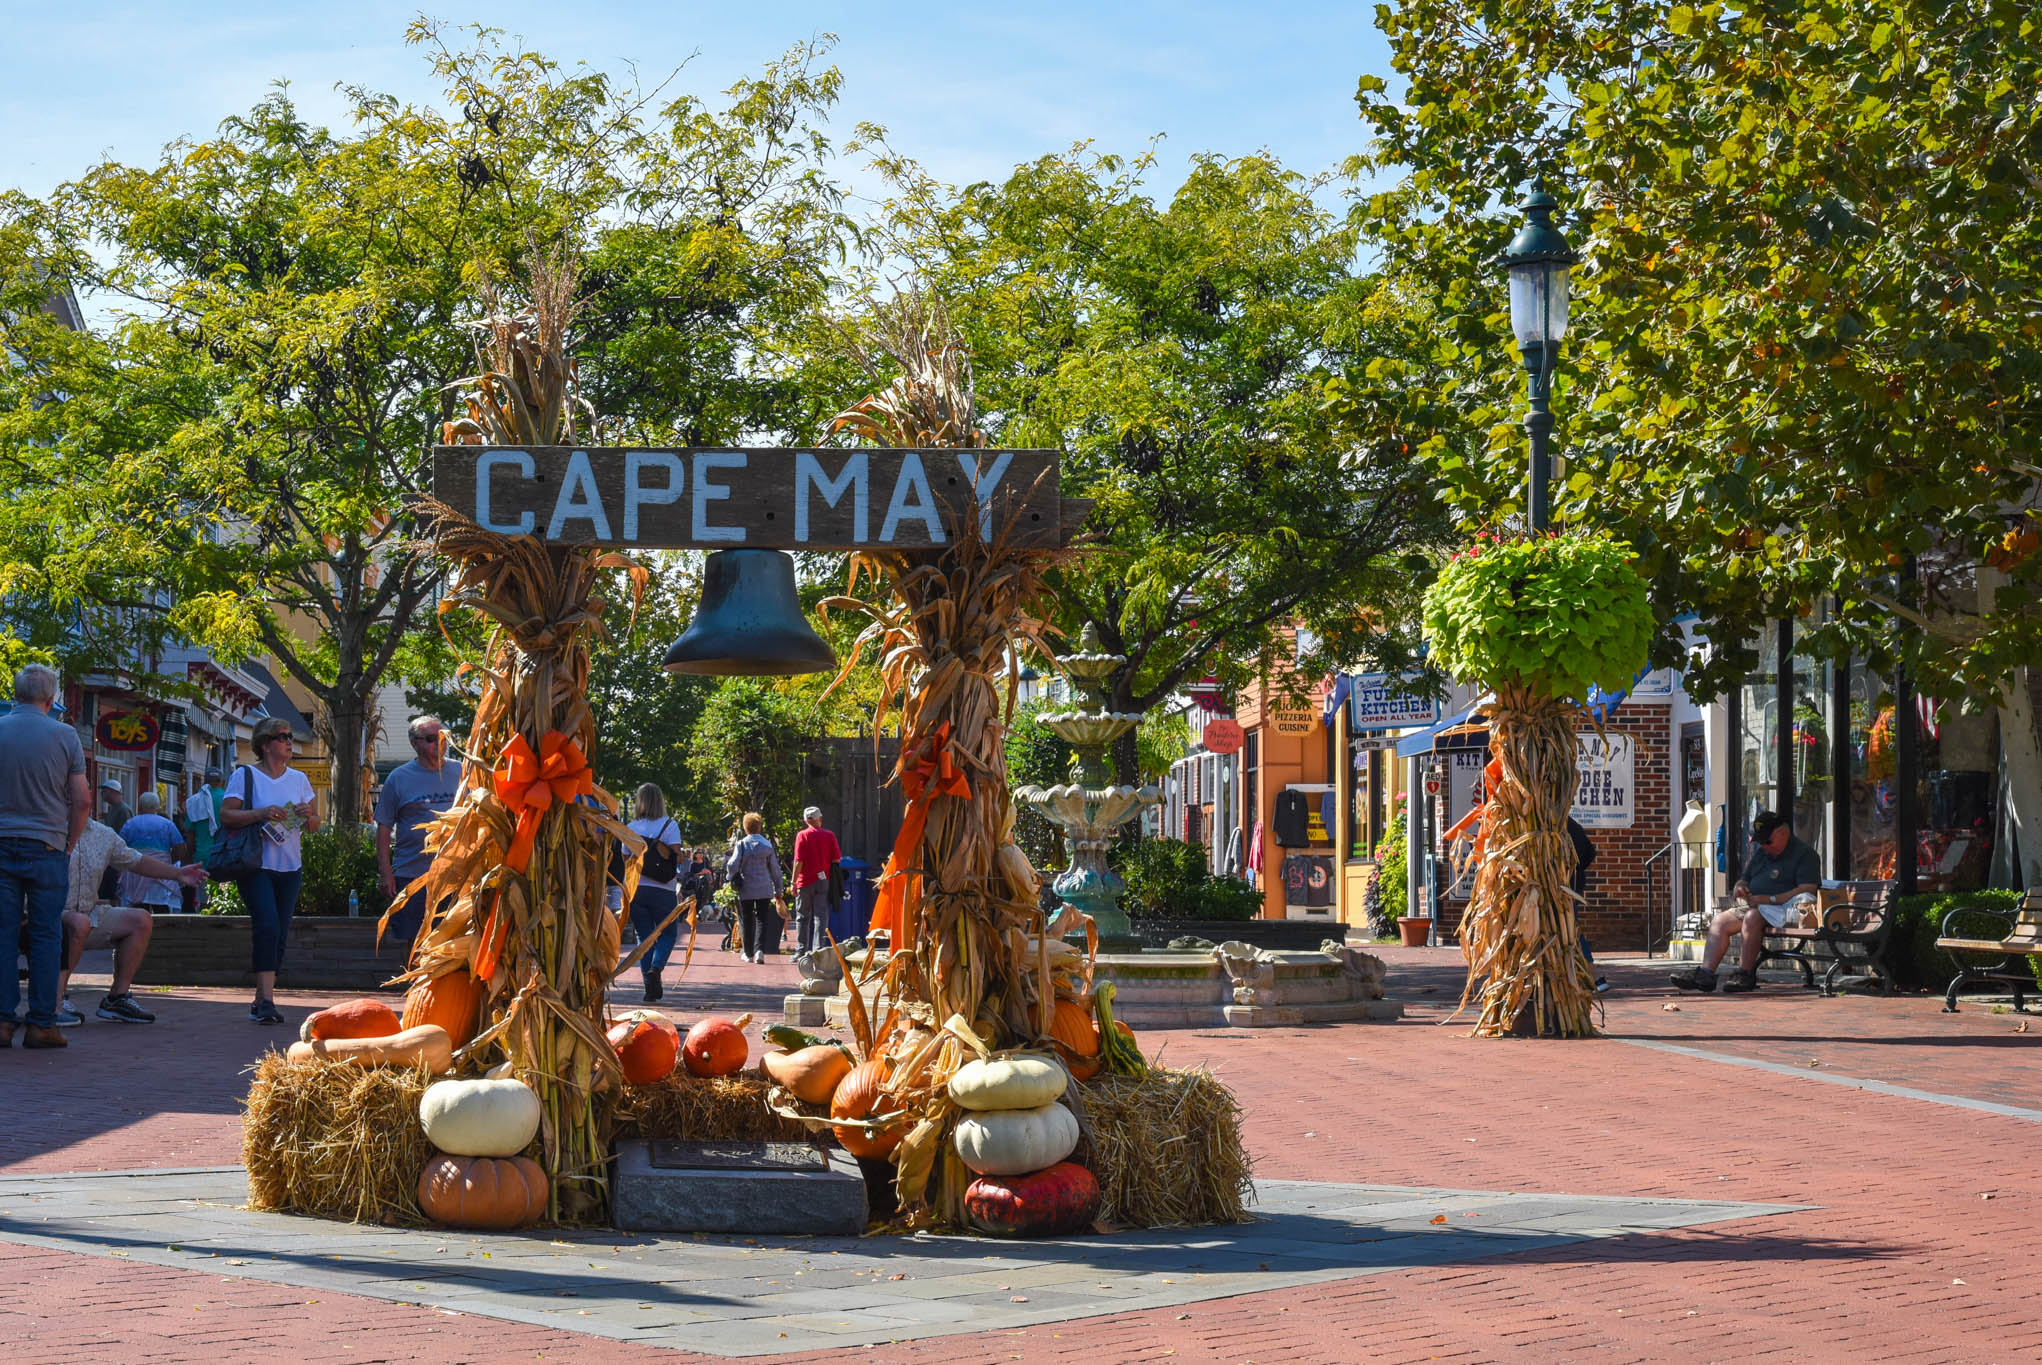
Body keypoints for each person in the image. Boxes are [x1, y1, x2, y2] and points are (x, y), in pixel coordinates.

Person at [0, 664, 90, 1050]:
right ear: (51, 700)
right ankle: (42, 1022)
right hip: (48, 845)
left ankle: (2, 1021)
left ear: (14, 694)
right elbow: (83, 800)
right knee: (45, 935)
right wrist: (69, 841)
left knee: (2, 935)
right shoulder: (64, 735)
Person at [55, 818, 204, 1025]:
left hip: (89, 913)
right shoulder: (46, 827)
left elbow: (136, 860)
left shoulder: (102, 833)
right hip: (49, 916)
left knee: (140, 919)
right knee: (79, 922)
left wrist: (178, 873)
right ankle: (55, 999)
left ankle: (117, 999)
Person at [220, 716, 320, 1024]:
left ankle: (260, 997)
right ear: (265, 745)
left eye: (290, 737)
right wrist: (261, 813)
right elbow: (226, 815)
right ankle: (266, 1000)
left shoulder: (299, 780)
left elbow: (315, 825)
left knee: (280, 931)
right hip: (256, 864)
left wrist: (307, 815)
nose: (290, 741)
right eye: (283, 736)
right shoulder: (245, 775)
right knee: (267, 925)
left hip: (291, 865)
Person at [1671, 809, 1820, 994]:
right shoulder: (1762, 854)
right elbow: (1745, 878)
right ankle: (1706, 974)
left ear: (1783, 832)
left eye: (1768, 841)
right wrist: (1739, 887)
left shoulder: (1804, 854)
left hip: (1785, 909)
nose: (1764, 846)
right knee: (1720, 921)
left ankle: (1745, 974)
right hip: (1757, 905)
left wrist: (1770, 899)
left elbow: (1808, 889)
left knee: (1752, 917)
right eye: (1760, 841)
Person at [374, 715, 464, 953]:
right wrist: (386, 873)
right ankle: (414, 989)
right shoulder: (398, 778)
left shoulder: (463, 772)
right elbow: (383, 828)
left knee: (451, 941)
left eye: (443, 737)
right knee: (414, 943)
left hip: (456, 875)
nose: (440, 743)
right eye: (431, 739)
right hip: (412, 875)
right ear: (415, 743)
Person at [623, 785, 685, 1002]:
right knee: (668, 934)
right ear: (660, 801)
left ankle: (649, 985)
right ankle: (656, 969)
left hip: (637, 889)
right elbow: (676, 857)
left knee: (644, 937)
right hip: (663, 889)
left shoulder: (630, 827)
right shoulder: (670, 825)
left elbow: (625, 859)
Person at [726, 812, 785, 963]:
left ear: (745, 829)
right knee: (762, 919)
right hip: (764, 887)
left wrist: (731, 877)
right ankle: (760, 951)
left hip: (746, 887)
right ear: (759, 828)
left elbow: (732, 864)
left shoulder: (742, 844)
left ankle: (748, 952)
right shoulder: (767, 845)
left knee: (746, 919)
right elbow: (775, 870)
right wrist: (779, 890)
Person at [118, 793, 184, 911]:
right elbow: (180, 846)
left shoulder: (130, 823)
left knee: (137, 905)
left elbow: (120, 845)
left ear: (140, 806)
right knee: (161, 904)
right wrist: (171, 862)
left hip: (136, 869)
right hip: (161, 870)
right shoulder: (167, 824)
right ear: (157, 807)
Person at [791, 806, 841, 955]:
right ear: (820, 819)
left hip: (804, 881)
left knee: (802, 917)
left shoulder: (802, 835)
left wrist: (793, 882)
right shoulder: (830, 835)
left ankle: (800, 950)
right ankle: (817, 950)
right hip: (823, 880)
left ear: (806, 820)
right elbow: (837, 858)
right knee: (821, 916)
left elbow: (798, 861)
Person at [183, 767, 226, 907]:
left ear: (205, 781)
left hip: (201, 858)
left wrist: (188, 858)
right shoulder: (228, 800)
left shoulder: (195, 801)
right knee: (224, 900)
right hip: (226, 856)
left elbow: (190, 835)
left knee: (204, 902)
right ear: (222, 782)